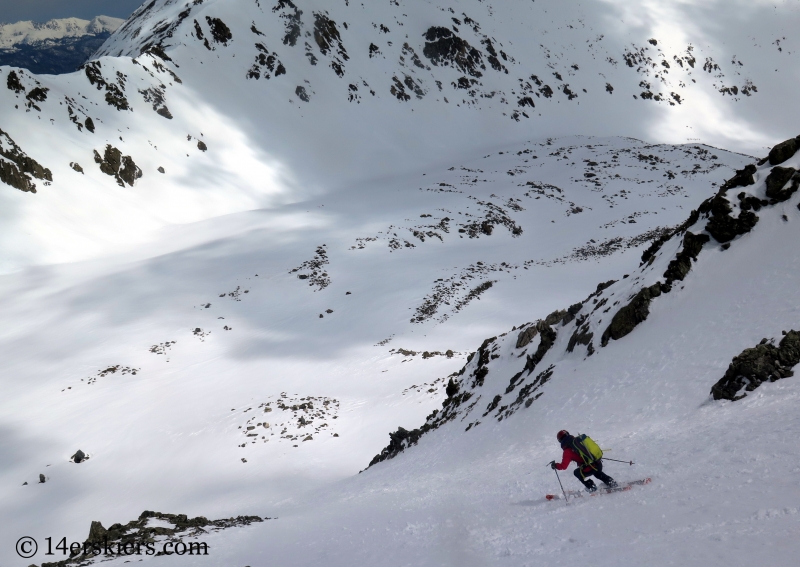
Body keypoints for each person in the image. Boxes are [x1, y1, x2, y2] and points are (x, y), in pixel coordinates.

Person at [550, 430, 617, 492]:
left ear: (560, 441)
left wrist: (555, 465)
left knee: (576, 472)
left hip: (591, 467)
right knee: (597, 473)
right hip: (598, 462)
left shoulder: (567, 450)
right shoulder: (578, 441)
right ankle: (611, 482)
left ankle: (591, 487)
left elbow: (563, 466)